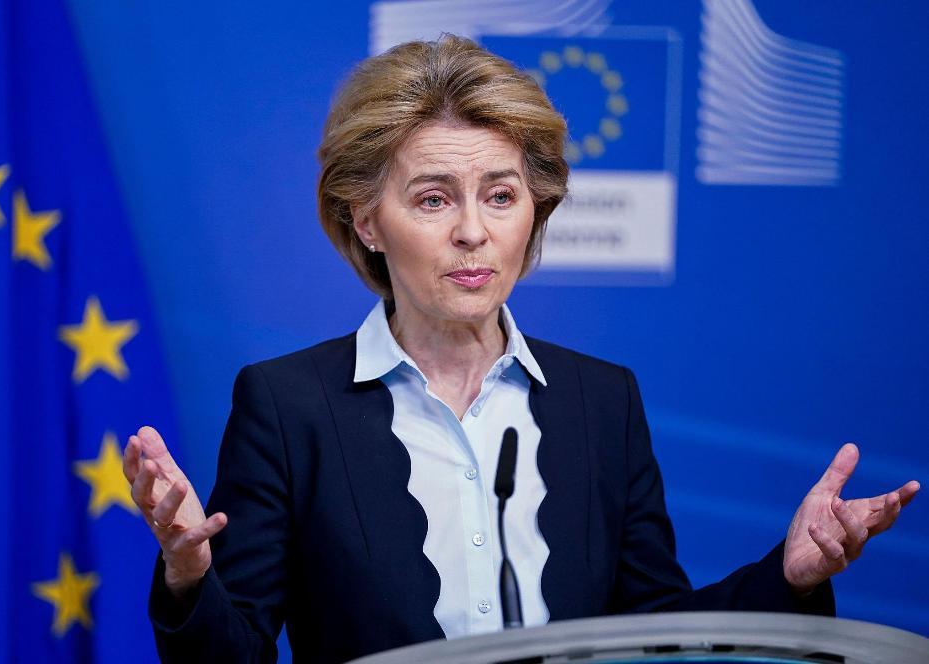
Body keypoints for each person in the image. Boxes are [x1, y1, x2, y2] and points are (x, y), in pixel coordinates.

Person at [121, 35, 920, 664]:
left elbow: (656, 636)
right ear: (366, 220)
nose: (473, 231)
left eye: (501, 196)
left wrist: (789, 574)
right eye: (433, 198)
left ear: (533, 212)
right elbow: (237, 657)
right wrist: (191, 578)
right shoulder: (288, 406)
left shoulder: (601, 402)